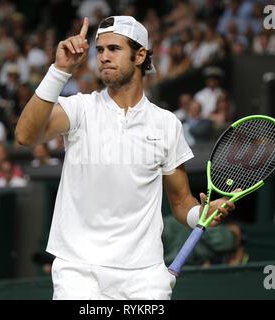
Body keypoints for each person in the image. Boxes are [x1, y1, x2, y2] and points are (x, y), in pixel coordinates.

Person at [16, 16, 235, 300]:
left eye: (114, 49)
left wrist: (200, 215)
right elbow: (25, 135)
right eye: (100, 50)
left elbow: (181, 202)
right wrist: (59, 70)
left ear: (140, 55)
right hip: (79, 272)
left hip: (144, 277)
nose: (104, 57)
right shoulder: (79, 109)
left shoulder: (167, 124)